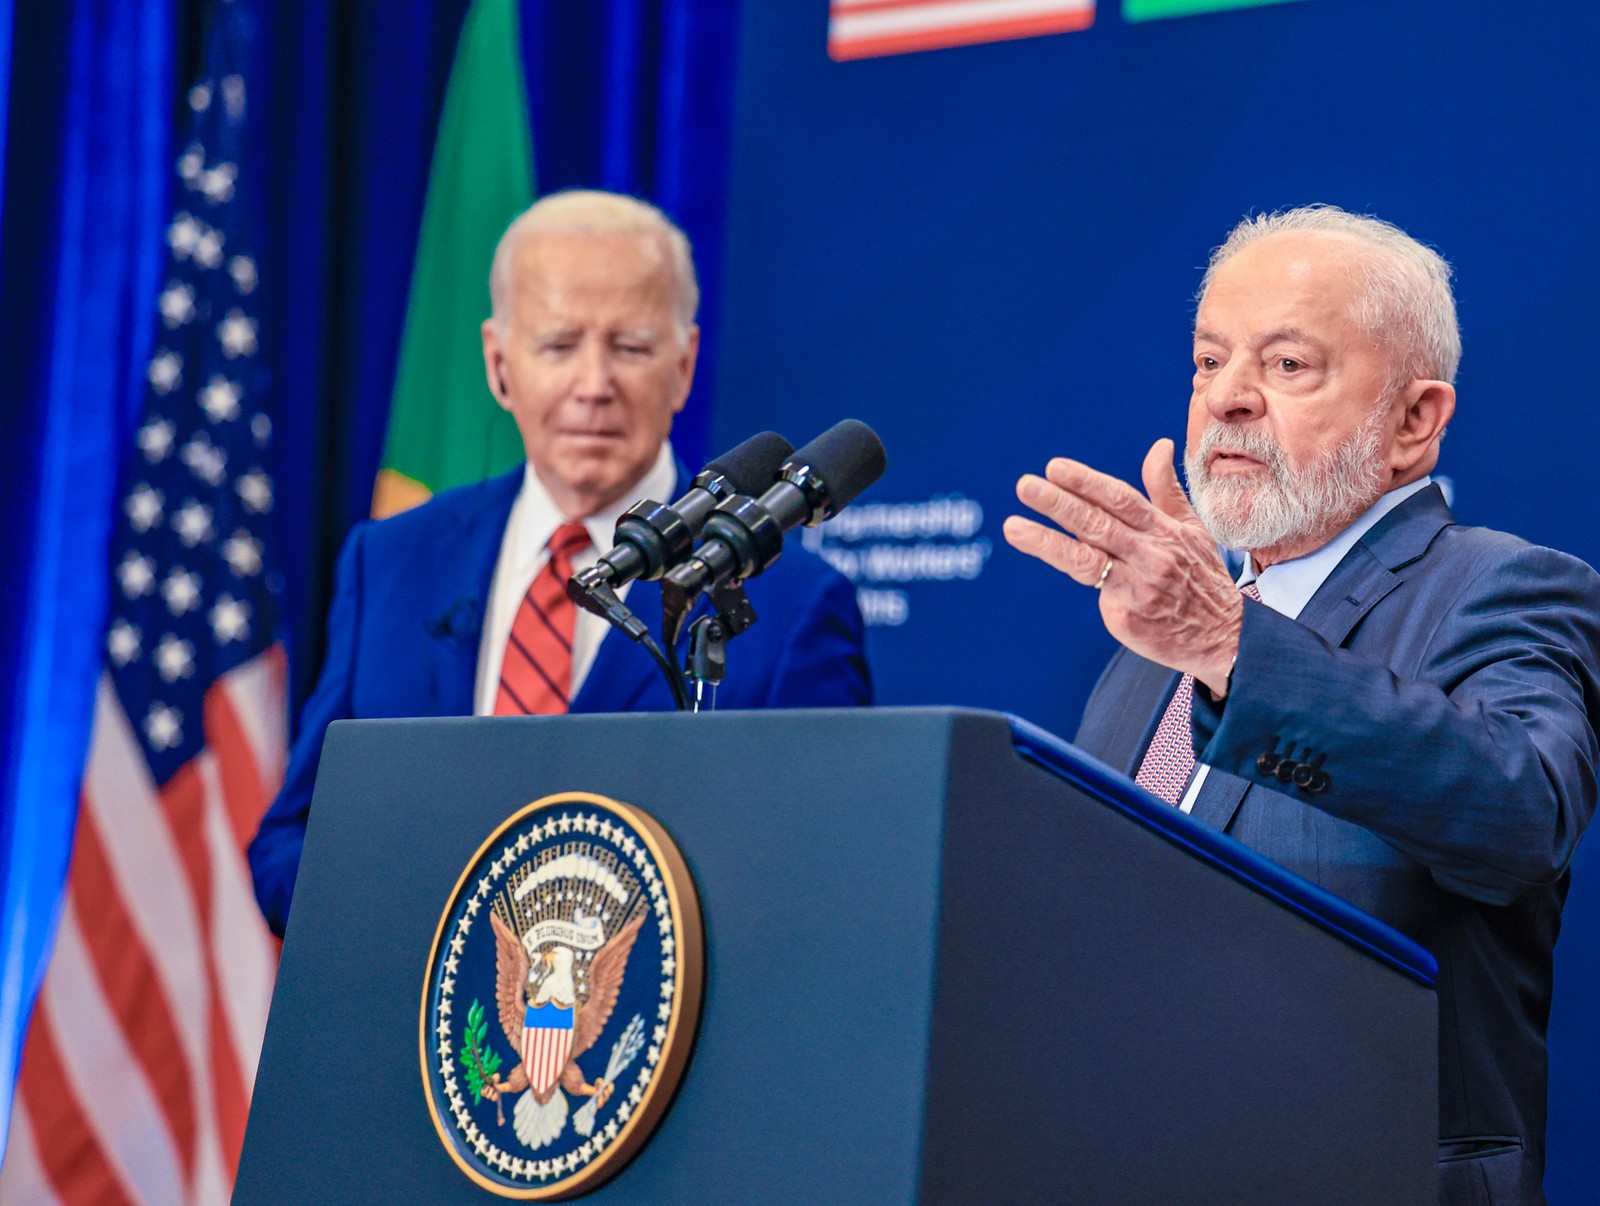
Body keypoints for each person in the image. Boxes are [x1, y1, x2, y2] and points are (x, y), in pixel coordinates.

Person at [1004, 205, 1600, 1205]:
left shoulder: (1502, 588)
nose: (1227, 399)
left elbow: (1520, 813)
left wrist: (1229, 648)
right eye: (1207, 362)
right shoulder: (1168, 631)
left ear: (1414, 421)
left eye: (1286, 366)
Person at [250, 190, 870, 936]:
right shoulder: (389, 562)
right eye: (558, 345)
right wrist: (397, 906)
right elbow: (291, 841)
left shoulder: (798, 606)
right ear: (499, 363)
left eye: (631, 347)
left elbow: (826, 877)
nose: (594, 385)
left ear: (684, 365)